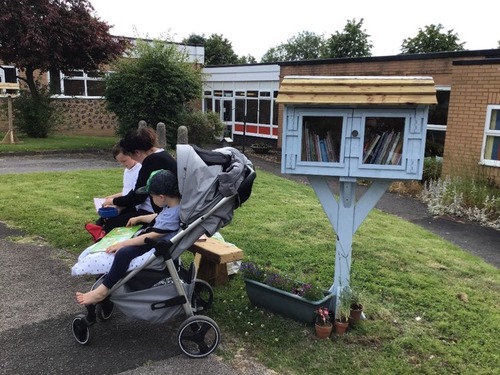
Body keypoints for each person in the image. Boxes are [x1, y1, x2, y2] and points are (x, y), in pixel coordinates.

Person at [75, 169, 181, 306]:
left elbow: (152, 235)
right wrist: (140, 218)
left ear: (161, 197)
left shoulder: (173, 214)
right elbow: (160, 218)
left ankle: (102, 291)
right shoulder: (173, 207)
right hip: (153, 240)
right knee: (122, 241)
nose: (151, 199)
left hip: (154, 245)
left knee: (123, 253)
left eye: (151, 196)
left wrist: (123, 244)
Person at [99, 127, 177, 233]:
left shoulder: (151, 162)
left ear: (137, 152)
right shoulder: (162, 155)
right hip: (165, 210)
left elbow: (138, 196)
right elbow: (138, 189)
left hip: (163, 212)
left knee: (111, 225)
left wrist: (114, 201)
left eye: (132, 157)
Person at [85, 142, 147, 241]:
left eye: (125, 161)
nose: (123, 164)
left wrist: (118, 204)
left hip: (137, 207)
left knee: (113, 222)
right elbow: (126, 191)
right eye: (120, 162)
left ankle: (104, 236)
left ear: (131, 155)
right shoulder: (127, 170)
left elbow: (134, 196)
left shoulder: (140, 170)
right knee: (102, 219)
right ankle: (99, 232)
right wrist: (110, 198)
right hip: (128, 202)